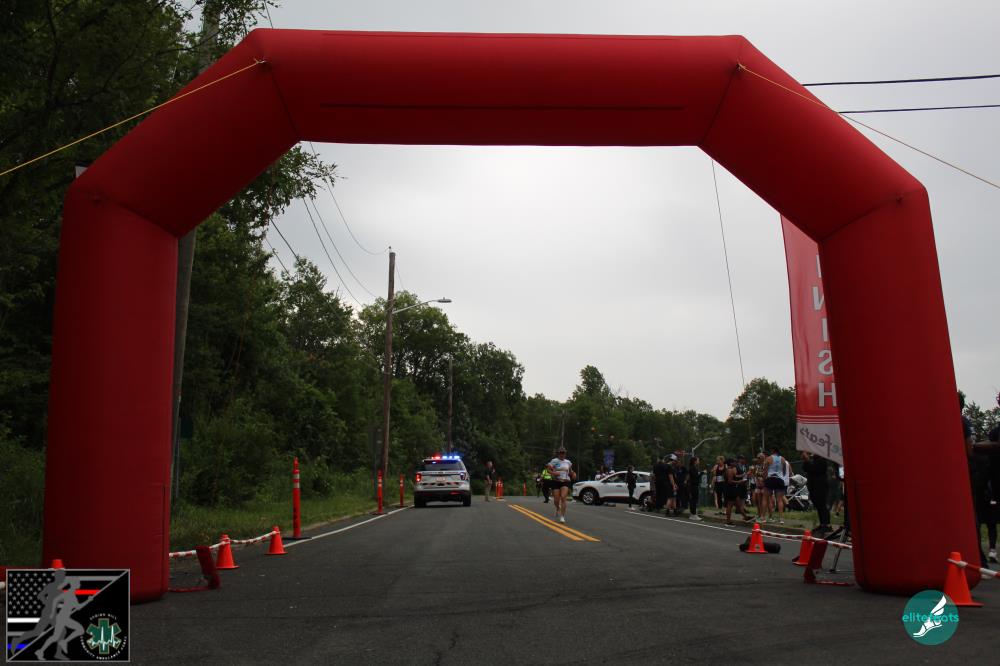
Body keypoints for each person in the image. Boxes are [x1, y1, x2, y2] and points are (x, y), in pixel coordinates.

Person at [34, 578, 85, 661]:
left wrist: (88, 600)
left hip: (65, 618)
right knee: (56, 637)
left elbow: (77, 607)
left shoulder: (71, 594)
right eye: (78, 583)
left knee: (78, 630)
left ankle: (61, 643)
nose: (80, 584)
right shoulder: (70, 594)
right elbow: (56, 600)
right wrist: (52, 612)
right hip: (62, 618)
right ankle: (41, 651)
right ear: (74, 584)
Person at [802, 451, 832, 535]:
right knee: (818, 506)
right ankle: (822, 524)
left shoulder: (822, 460)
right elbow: (806, 468)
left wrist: (807, 460)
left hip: (820, 487)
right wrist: (806, 460)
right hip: (814, 487)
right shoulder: (814, 460)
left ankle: (827, 525)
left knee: (822, 506)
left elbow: (814, 469)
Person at [546, 446, 576, 523]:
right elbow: (548, 470)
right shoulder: (554, 461)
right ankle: (558, 507)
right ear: (558, 453)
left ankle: (562, 516)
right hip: (556, 481)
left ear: (565, 454)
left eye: (563, 453)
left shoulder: (568, 462)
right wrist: (554, 473)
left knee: (563, 497)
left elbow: (570, 471)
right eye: (561, 453)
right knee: (556, 500)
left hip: (565, 481)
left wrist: (573, 474)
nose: (562, 454)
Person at [763, 446, 791, 524]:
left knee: (765, 498)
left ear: (773, 450)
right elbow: (784, 471)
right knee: (779, 500)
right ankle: (781, 519)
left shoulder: (768, 458)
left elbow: (765, 470)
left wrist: (765, 479)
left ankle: (763, 518)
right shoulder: (783, 459)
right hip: (779, 479)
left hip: (770, 479)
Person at [724, 458, 752, 525]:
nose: (735, 463)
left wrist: (745, 474)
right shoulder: (730, 470)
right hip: (731, 489)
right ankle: (728, 521)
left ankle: (746, 517)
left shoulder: (729, 470)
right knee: (730, 505)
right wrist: (739, 482)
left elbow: (736, 476)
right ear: (731, 463)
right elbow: (730, 481)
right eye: (734, 462)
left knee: (738, 504)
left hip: (732, 489)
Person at [751, 453, 767, 520]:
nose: (757, 459)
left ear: (763, 458)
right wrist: (754, 472)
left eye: (759, 458)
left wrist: (758, 473)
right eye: (757, 458)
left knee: (763, 501)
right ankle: (759, 514)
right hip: (758, 485)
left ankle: (763, 515)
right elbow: (755, 475)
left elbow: (765, 474)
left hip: (764, 485)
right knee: (758, 500)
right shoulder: (757, 466)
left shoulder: (765, 464)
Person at [687, 456, 702, 520]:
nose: (699, 461)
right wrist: (702, 473)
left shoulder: (692, 468)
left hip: (692, 485)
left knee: (693, 500)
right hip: (693, 486)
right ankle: (693, 514)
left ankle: (692, 514)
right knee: (694, 500)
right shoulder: (693, 468)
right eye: (698, 460)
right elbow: (695, 477)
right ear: (695, 461)